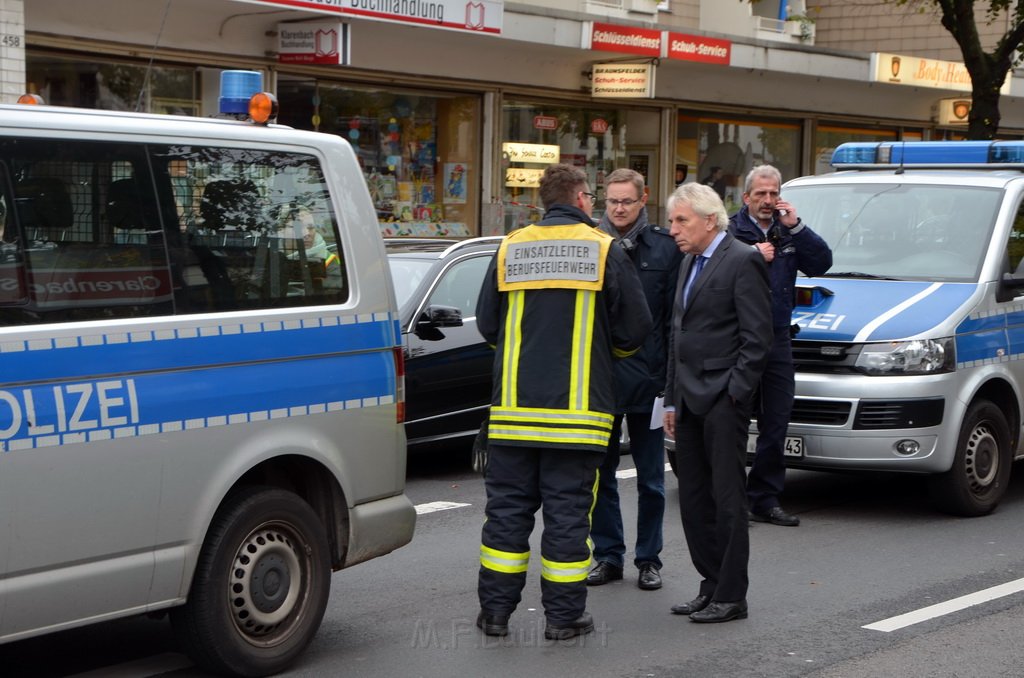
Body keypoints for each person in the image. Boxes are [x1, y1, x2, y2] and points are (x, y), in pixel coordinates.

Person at [475, 163, 652, 640]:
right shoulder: (604, 249)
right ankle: (563, 618)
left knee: (506, 519)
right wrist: (603, 351)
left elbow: (489, 327)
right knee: (569, 519)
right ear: (578, 198)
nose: (595, 204)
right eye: (592, 197)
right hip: (577, 421)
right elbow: (635, 331)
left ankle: (494, 615)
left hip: (512, 415)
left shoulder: (510, 247)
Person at [663, 182, 771, 624]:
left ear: (710, 220)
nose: (673, 230)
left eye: (681, 221)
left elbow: (757, 337)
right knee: (693, 500)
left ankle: (732, 595)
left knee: (727, 501)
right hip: (686, 399)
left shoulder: (742, 260)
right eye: (672, 220)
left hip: (723, 399)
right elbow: (677, 334)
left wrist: (734, 394)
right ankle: (709, 585)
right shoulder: (688, 260)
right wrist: (669, 400)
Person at [586, 168, 681, 592]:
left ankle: (648, 559)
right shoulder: (589, 246)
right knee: (600, 476)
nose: (619, 208)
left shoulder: (664, 248)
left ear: (644, 201)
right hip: (600, 380)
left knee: (651, 480)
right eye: (612, 201)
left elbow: (674, 320)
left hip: (649, 380)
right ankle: (607, 556)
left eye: (626, 201)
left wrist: (669, 380)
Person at [728, 165, 832, 527]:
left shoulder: (787, 231)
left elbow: (822, 263)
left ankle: (765, 498)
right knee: (735, 422)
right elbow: (711, 274)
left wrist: (796, 228)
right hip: (737, 341)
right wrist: (750, 255)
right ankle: (733, 499)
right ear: (746, 198)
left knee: (776, 421)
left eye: (774, 194)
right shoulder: (730, 232)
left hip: (776, 339)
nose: (769, 201)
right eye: (761, 194)